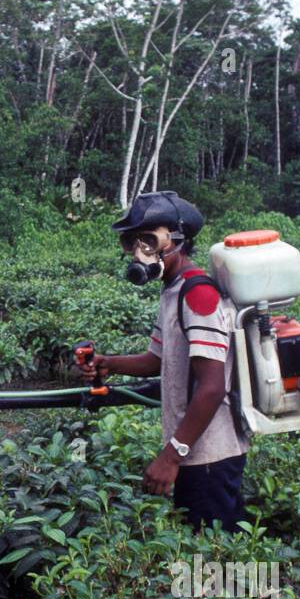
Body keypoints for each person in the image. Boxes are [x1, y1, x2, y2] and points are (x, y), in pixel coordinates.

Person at [77, 191, 250, 531]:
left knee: (209, 556)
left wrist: (170, 457)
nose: (138, 250)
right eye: (131, 241)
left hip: (210, 456)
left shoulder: (199, 295)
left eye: (148, 238)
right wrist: (108, 363)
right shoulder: (173, 289)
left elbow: (212, 388)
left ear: (177, 239)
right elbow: (158, 359)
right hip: (192, 451)